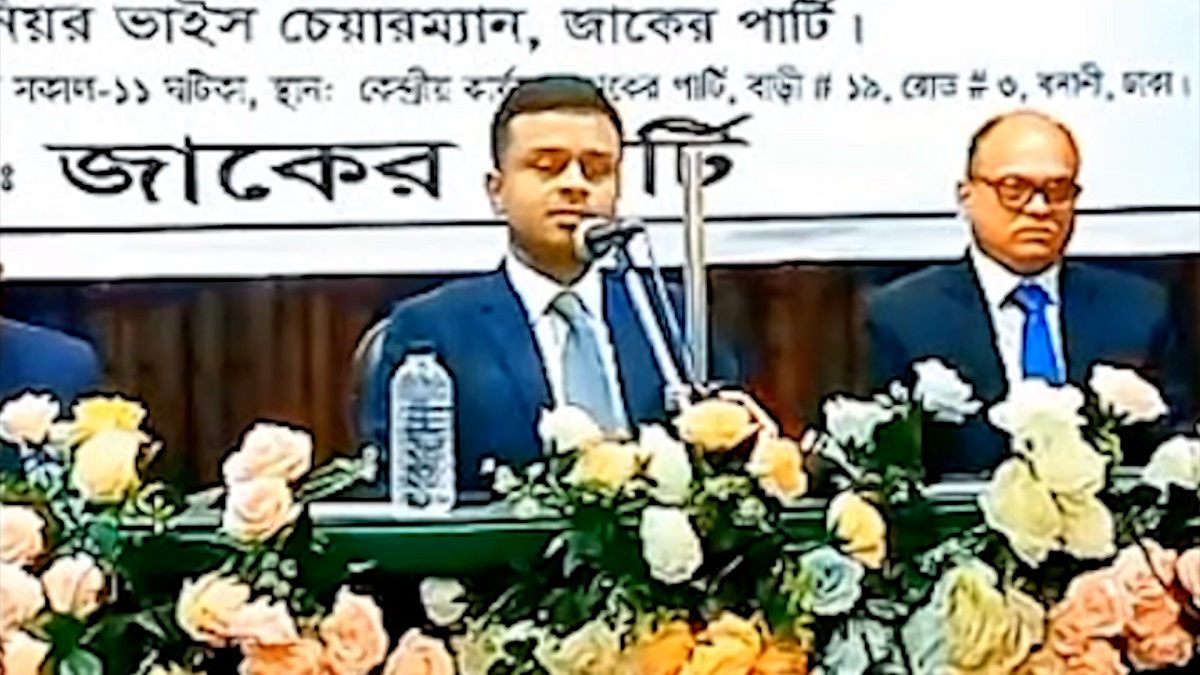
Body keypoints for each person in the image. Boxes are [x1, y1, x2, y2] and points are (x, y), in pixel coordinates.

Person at [359, 75, 743, 497]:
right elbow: (402, 494)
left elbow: (727, 474)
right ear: (497, 191)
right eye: (546, 167)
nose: (575, 185)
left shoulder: (669, 316)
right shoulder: (434, 328)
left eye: (597, 170)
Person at [866, 110, 1193, 478]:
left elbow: (1177, 451)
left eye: (1058, 190)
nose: (1039, 208)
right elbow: (882, 467)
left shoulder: (1139, 310)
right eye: (1014, 189)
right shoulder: (903, 316)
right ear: (966, 196)